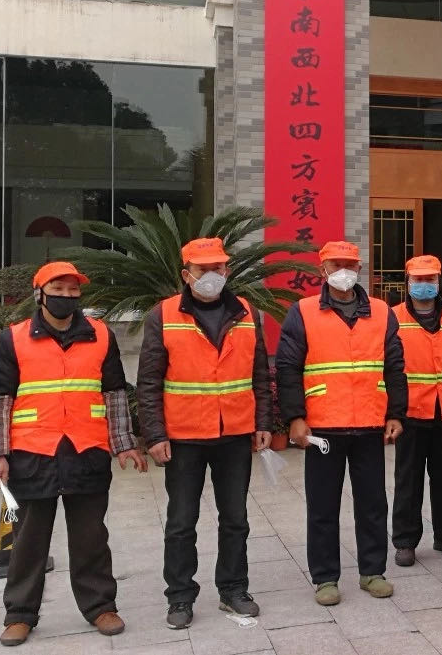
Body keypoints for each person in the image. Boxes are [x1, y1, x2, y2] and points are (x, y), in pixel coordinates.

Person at [0, 261, 148, 647]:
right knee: (28, 541)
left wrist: (124, 443)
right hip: (32, 454)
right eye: (58, 289)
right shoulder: (13, 339)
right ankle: (20, 614)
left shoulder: (101, 336)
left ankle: (100, 606)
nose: (67, 296)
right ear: (39, 293)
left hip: (86, 451)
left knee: (91, 537)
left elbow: (114, 393)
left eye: (73, 290)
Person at [136, 238, 273, 630]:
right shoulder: (163, 315)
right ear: (187, 274)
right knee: (181, 522)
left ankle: (234, 589)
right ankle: (180, 596)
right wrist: (155, 434)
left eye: (218, 268)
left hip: (234, 433)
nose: (213, 275)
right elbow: (149, 382)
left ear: (226, 270)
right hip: (184, 437)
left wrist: (263, 422)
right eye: (203, 269)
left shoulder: (247, 312)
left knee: (236, 519)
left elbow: (259, 374)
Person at [275, 241, 407, 607]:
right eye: (336, 264)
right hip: (323, 428)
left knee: (372, 504)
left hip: (369, 423)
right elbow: (287, 368)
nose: (344, 270)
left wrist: (396, 413)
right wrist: (295, 418)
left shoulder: (381, 312)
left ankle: (372, 572)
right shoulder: (302, 312)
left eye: (350, 264)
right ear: (322, 269)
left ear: (359, 268)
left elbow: (395, 367)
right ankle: (325, 578)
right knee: (322, 507)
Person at [391, 255, 442, 567]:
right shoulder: (393, 317)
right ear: (408, 282)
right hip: (410, 411)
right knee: (407, 479)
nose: (424, 284)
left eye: (430, 279)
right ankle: (405, 541)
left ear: (439, 281)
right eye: (418, 279)